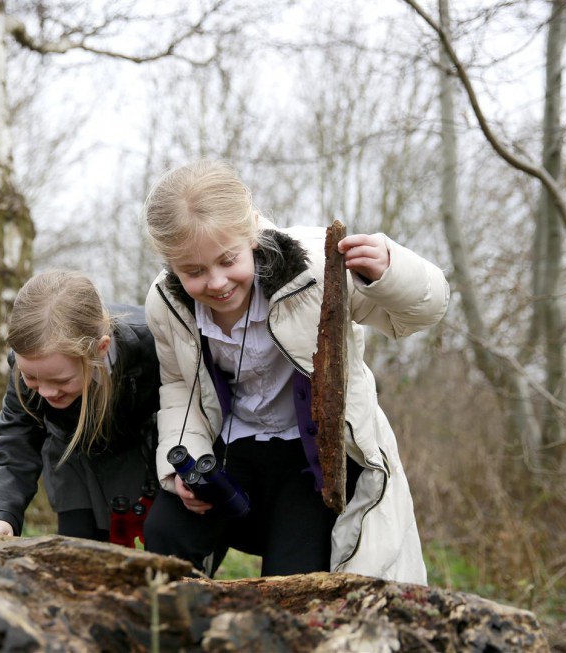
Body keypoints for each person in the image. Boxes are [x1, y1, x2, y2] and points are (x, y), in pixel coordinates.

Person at [140, 159, 450, 582]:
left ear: (250, 233)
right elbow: (179, 386)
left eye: (227, 260)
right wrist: (185, 460)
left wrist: (391, 271)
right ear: (171, 264)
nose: (216, 283)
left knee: (294, 577)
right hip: (231, 449)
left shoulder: (316, 267)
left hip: (310, 455)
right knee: (166, 532)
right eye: (194, 271)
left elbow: (425, 312)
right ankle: (174, 620)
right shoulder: (165, 303)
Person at [0, 270, 161, 542]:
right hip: (71, 455)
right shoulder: (27, 360)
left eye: (61, 380)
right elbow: (14, 440)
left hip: (141, 449)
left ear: (101, 348)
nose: (46, 392)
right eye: (31, 378)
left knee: (161, 538)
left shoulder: (152, 342)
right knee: (80, 544)